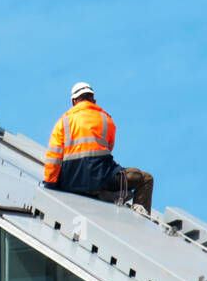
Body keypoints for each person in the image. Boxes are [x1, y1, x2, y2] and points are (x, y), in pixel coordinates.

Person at [43, 82, 153, 213]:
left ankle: (102, 193)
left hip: (70, 184)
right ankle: (139, 221)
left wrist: (50, 184)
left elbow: (53, 158)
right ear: (93, 100)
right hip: (101, 179)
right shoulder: (106, 119)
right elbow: (109, 147)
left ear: (74, 101)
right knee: (146, 179)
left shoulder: (63, 122)